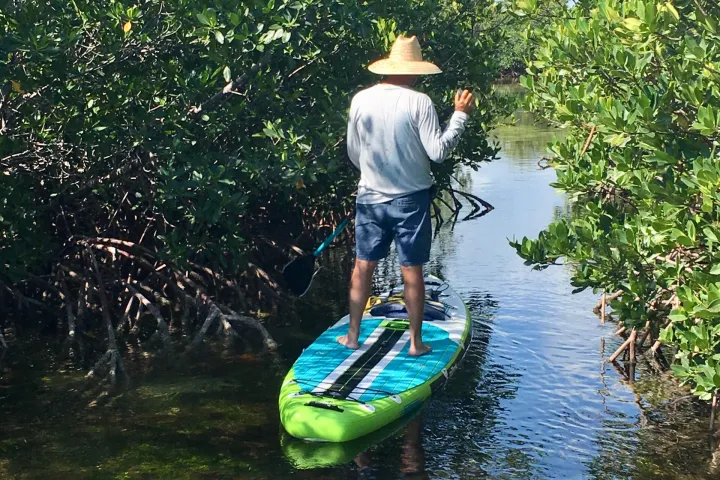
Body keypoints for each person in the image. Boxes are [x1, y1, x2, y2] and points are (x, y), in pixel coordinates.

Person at [338, 35, 475, 356]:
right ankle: (416, 344)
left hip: (370, 197)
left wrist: (375, 175)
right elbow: (438, 152)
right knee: (411, 270)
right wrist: (460, 116)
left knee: (362, 267)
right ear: (413, 70)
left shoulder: (361, 99)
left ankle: (353, 336)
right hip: (410, 200)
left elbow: (353, 152)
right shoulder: (420, 101)